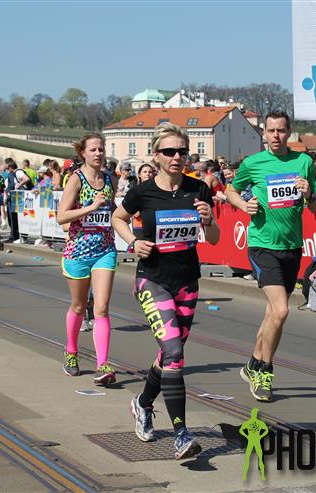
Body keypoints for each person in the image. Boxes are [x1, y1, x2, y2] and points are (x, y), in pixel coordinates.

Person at [112, 122, 220, 460]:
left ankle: (143, 403)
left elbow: (214, 238)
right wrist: (133, 242)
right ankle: (182, 435)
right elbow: (118, 218)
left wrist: (208, 221)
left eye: (182, 151)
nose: (177, 157)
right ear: (156, 155)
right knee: (174, 353)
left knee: (169, 356)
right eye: (169, 151)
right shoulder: (143, 192)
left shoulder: (198, 189)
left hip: (187, 281)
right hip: (152, 280)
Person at [226, 110, 316, 402]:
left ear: (289, 132)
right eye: (271, 131)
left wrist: (309, 194)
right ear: (264, 133)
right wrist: (244, 206)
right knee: (281, 310)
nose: (276, 136)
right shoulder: (253, 163)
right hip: (262, 244)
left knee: (272, 313)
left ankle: (252, 364)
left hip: (291, 246)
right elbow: (230, 190)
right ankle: (264, 371)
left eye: (281, 130)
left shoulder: (304, 162)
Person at [56, 133, 118, 386]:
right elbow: (61, 216)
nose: (98, 153)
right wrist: (91, 207)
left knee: (101, 308)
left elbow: (113, 211)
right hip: (78, 251)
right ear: (83, 153)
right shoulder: (76, 179)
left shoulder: (110, 179)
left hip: (105, 249)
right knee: (79, 306)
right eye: (93, 150)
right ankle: (71, 351)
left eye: (101, 149)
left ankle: (103, 363)